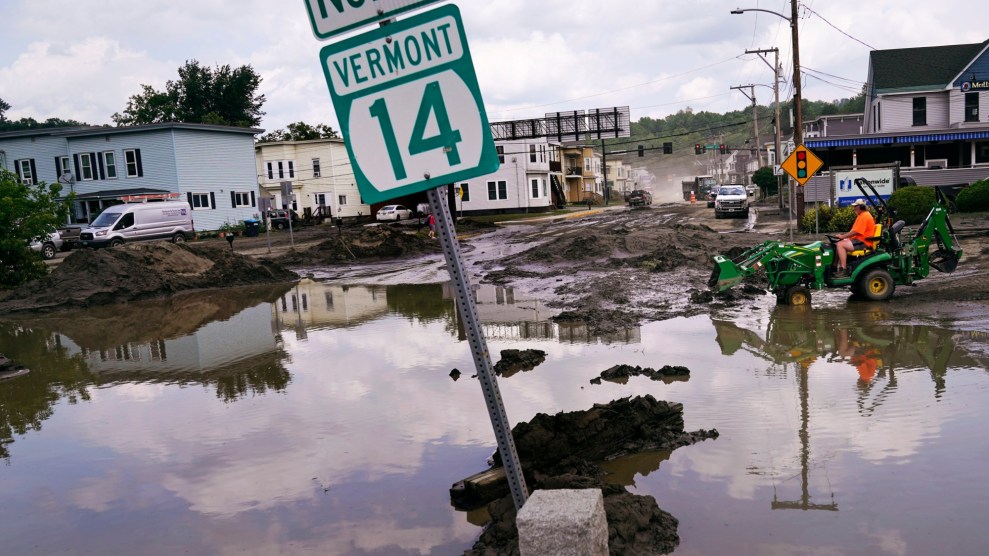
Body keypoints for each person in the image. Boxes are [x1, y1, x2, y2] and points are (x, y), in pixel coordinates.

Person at [833, 198, 876, 278]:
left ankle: (843, 270)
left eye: (856, 206)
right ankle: (834, 266)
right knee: (837, 243)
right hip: (858, 239)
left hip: (864, 242)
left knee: (840, 245)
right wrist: (843, 236)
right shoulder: (861, 215)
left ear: (861, 207)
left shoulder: (865, 216)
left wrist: (843, 236)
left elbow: (855, 232)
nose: (854, 208)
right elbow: (853, 231)